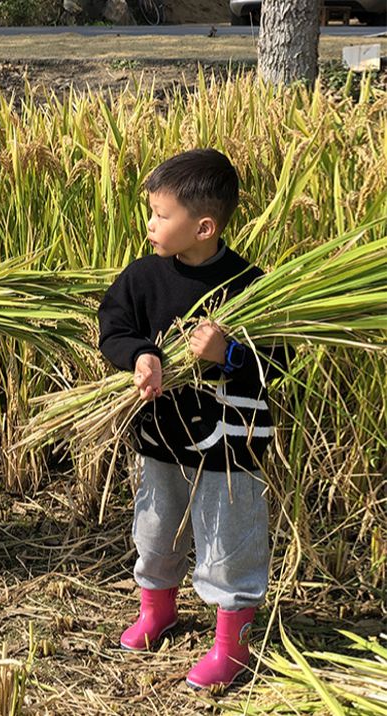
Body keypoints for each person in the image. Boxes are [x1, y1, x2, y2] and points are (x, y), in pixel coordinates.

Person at [98, 148, 284, 689]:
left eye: (159, 214)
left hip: (232, 444)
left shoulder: (253, 284)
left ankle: (233, 645)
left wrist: (228, 355)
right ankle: (158, 611)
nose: (149, 224)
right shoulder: (143, 278)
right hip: (162, 435)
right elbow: (112, 326)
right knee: (155, 530)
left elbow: (279, 360)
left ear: (203, 226)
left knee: (229, 540)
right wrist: (139, 354)